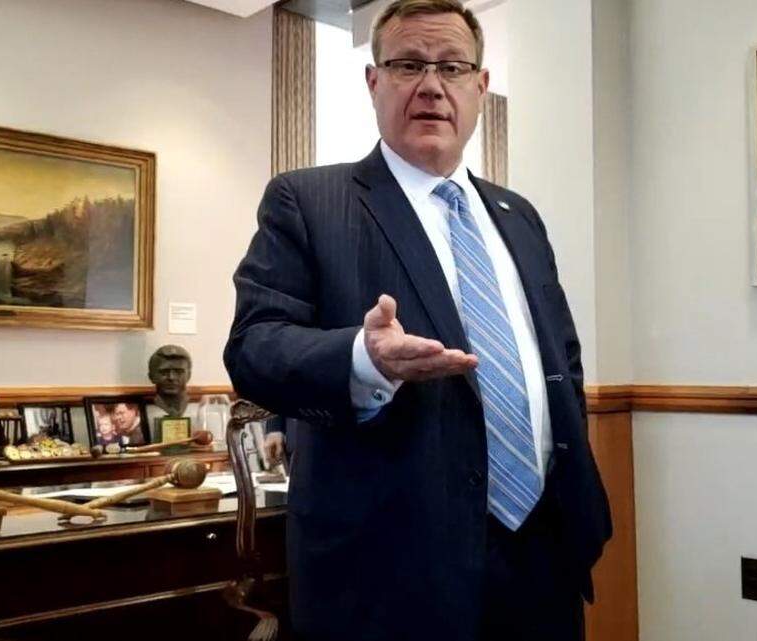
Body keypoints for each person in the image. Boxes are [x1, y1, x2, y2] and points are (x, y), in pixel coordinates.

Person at [223, 2, 611, 640]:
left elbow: (561, 361)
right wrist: (362, 359)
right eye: (408, 65)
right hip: (390, 572)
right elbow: (254, 348)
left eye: (452, 67)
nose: (432, 85)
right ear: (374, 81)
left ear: (480, 86)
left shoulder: (518, 216)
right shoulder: (308, 202)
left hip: (544, 556)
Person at [148, 345, 193, 417]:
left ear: (189, 376)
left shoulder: (196, 409)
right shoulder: (146, 411)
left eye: (178, 372)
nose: (171, 377)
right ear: (151, 376)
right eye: (164, 372)